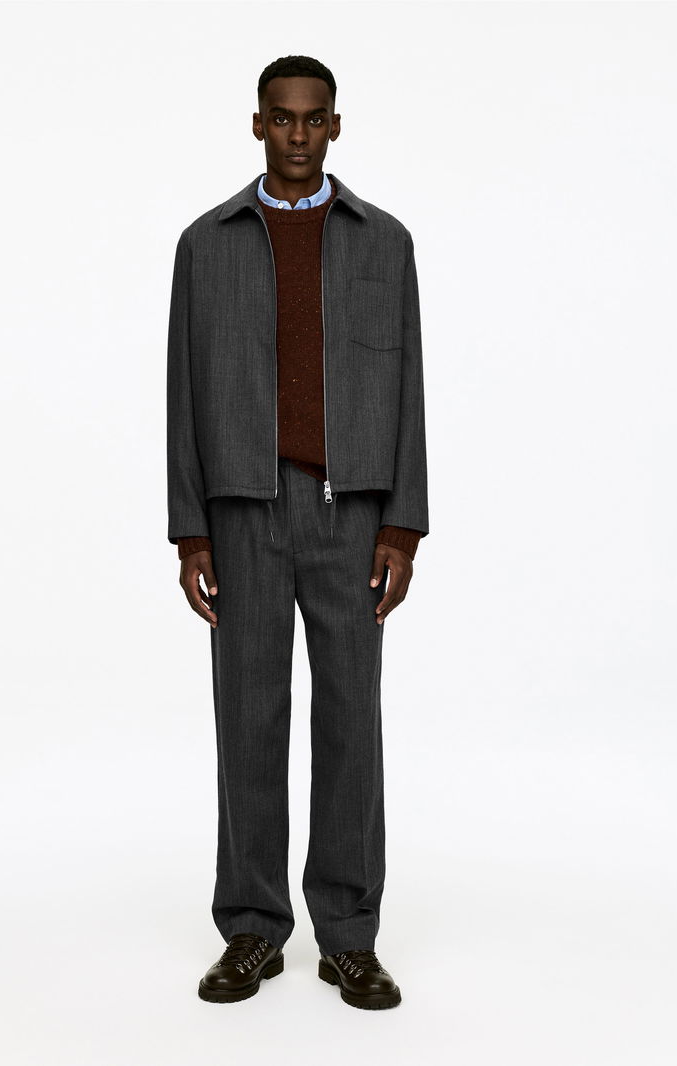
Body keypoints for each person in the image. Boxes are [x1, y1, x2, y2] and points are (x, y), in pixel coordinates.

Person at [166, 54, 429, 1011]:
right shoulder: (206, 244)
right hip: (242, 510)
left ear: (336, 127)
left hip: (350, 512)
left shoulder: (384, 242)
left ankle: (349, 936)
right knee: (249, 718)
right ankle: (251, 928)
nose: (298, 135)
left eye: (314, 119)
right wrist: (190, 531)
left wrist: (402, 524)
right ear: (257, 125)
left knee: (351, 720)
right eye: (282, 118)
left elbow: (409, 385)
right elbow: (180, 390)